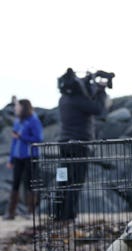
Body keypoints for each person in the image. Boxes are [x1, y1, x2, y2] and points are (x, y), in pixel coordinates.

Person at [55, 68, 109, 221]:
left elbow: (83, 92)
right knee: (76, 181)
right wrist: (101, 90)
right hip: (79, 144)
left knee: (63, 180)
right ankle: (69, 215)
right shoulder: (78, 100)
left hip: (64, 143)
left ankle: (59, 213)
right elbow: (98, 109)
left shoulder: (65, 98)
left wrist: (88, 80)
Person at [4, 99, 43, 220]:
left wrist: (22, 136)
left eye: (17, 106)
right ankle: (11, 212)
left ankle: (31, 212)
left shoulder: (34, 120)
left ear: (23, 107)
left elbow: (38, 138)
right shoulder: (18, 121)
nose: (15, 108)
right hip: (18, 157)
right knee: (15, 183)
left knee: (29, 183)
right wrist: (11, 159)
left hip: (31, 156)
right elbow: (14, 142)